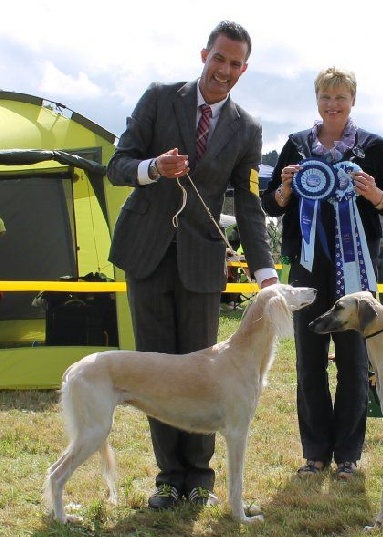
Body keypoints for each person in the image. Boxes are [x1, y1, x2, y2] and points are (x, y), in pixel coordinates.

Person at [106, 20, 278, 510]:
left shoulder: (247, 128)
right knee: (158, 369)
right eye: (218, 59)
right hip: (146, 253)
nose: (224, 70)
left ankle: (199, 478)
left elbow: (248, 203)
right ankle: (168, 477)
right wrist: (152, 168)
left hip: (202, 264)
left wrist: (264, 273)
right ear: (204, 54)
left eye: (235, 64)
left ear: (244, 70)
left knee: (207, 372)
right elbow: (118, 165)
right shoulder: (160, 98)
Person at [262, 66, 383, 480]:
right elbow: (270, 205)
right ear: (317, 100)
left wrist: (374, 194)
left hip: (356, 264)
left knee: (354, 361)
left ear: (353, 101)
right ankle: (315, 452)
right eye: (326, 97)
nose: (333, 104)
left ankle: (348, 455)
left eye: (341, 97)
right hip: (307, 266)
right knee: (309, 361)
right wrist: (285, 189)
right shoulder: (296, 145)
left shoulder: (373, 147)